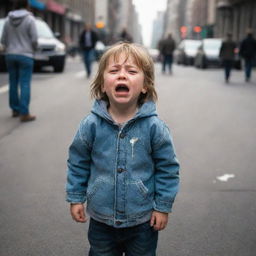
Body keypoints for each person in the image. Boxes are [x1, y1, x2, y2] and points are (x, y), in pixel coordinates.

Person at [66, 42, 180, 256]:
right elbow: (78, 162)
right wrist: (76, 197)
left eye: (131, 71)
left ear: (145, 86)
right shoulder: (90, 125)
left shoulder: (154, 128)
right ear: (102, 85)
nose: (122, 76)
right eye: (114, 70)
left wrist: (162, 206)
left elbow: (168, 169)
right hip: (101, 220)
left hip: (143, 221)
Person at [0, 0, 38, 122]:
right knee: (25, 83)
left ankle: (15, 109)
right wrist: (32, 49)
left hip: (10, 55)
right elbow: (34, 39)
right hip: (26, 55)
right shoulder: (30, 19)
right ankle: (24, 113)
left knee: (13, 82)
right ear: (27, 5)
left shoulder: (7, 20)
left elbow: (3, 40)